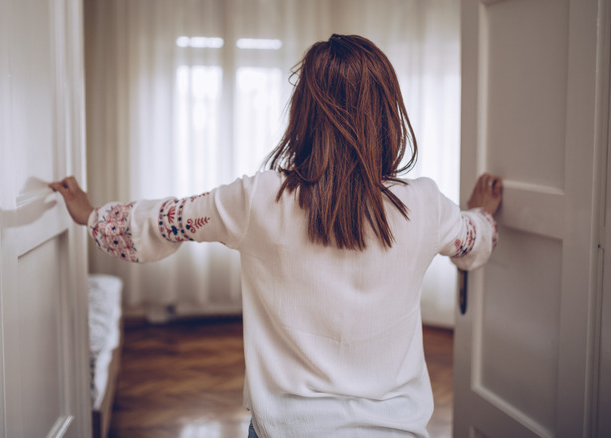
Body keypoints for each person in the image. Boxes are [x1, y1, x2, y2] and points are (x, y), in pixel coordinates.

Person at [51, 34, 502, 438]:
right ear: (387, 112)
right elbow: (474, 242)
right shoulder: (424, 204)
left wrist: (92, 216)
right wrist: (481, 211)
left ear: (303, 112)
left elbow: (165, 221)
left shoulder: (260, 198)